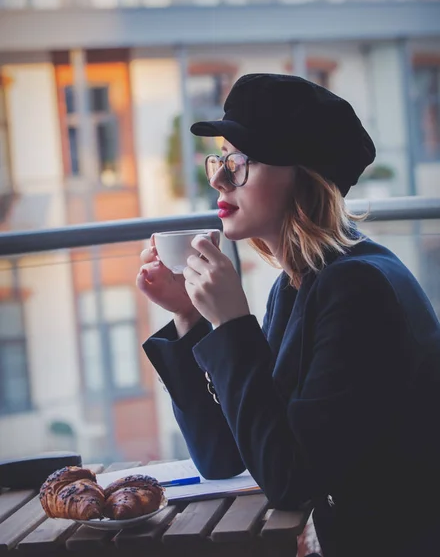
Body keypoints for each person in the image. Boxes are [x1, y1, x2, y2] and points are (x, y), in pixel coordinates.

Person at [136, 73, 440, 557]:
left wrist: (233, 324)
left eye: (238, 162)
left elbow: (289, 479)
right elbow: (224, 456)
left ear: (301, 175)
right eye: (220, 158)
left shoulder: (356, 289)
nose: (217, 177)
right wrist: (192, 318)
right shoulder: (298, 285)